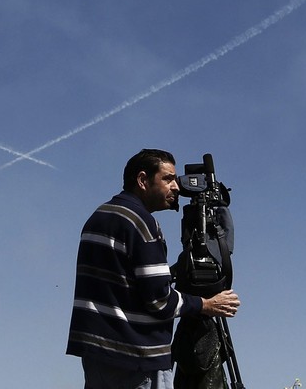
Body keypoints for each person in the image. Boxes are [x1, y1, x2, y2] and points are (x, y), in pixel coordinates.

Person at [68, 148, 242, 389]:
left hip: (98, 352)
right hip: (136, 356)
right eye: (168, 178)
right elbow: (159, 301)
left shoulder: (100, 216)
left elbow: (124, 282)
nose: (176, 187)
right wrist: (206, 304)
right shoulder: (142, 223)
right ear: (142, 180)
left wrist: (171, 275)